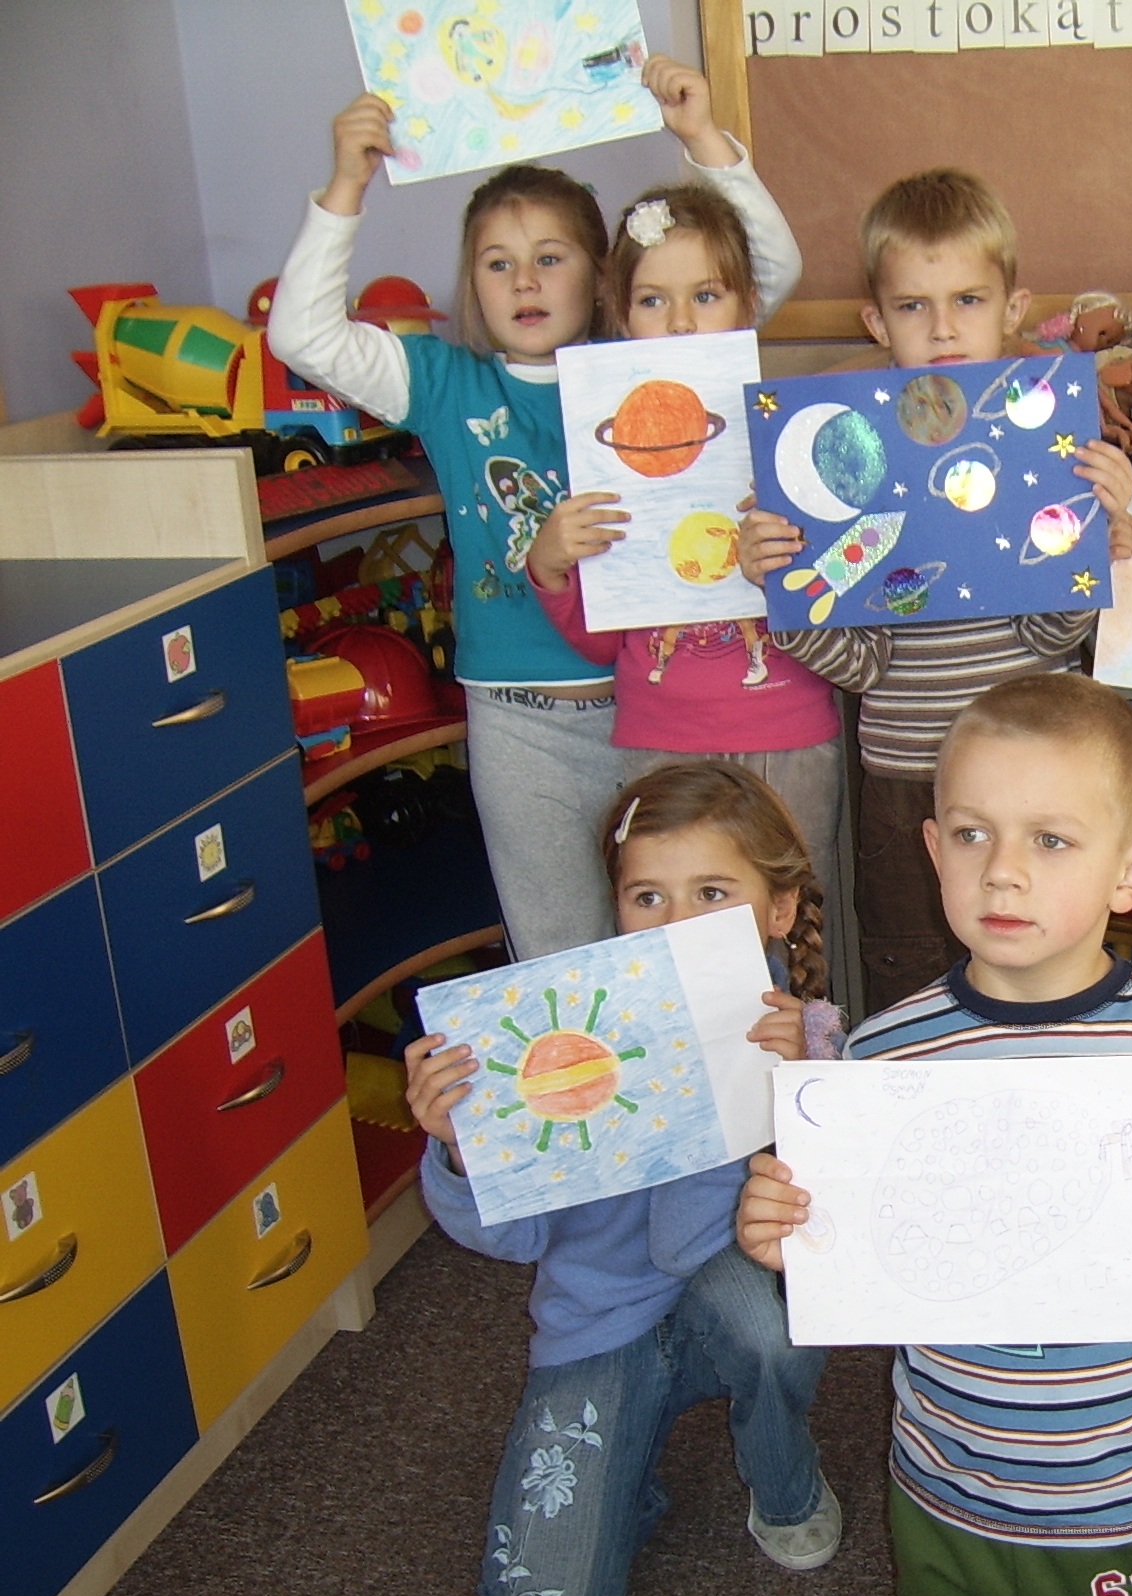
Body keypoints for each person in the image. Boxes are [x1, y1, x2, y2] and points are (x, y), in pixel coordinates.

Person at [735, 672, 1132, 1596]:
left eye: (1053, 840)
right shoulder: (882, 1056)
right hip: (949, 1493)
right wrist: (786, 1249)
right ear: (932, 848)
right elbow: (855, 1279)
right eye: (972, 834)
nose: (1003, 873)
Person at [269, 57, 799, 960]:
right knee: (562, 952)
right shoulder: (444, 381)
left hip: (653, 706)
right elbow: (300, 334)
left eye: (550, 259)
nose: (524, 282)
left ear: (601, 278)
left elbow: (765, 273)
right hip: (520, 719)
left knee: (692, 953)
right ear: (472, 282)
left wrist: (701, 137)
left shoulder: (653, 355)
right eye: (498, 263)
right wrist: (347, 186)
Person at [404, 759, 842, 1596]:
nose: (676, 923)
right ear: (616, 909)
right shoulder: (565, 1033)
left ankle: (784, 1477)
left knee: (766, 1324)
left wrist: (806, 1088)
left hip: (734, 1292)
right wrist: (461, 1147)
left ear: (778, 910)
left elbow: (854, 1227)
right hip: (599, 1321)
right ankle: (624, 1458)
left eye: (711, 893)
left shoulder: (809, 1038)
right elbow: (515, 1236)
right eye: (648, 897)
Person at [741, 169, 1132, 1014]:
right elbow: (862, 663)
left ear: (1013, 308)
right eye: (913, 306)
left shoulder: (1048, 446)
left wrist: (1088, 541)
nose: (943, 327)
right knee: (910, 975)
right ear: (877, 323)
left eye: (967, 300)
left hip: (1032, 777)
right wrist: (785, 592)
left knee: (1041, 957)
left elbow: (1052, 639)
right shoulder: (857, 459)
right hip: (905, 777)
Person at [527, 176, 845, 923]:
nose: (679, 322)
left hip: (788, 733)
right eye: (652, 300)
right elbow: (599, 642)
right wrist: (550, 567)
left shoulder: (796, 438)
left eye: (705, 295)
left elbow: (843, 612)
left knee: (795, 933)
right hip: (659, 742)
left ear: (748, 306)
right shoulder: (604, 452)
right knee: (672, 940)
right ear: (619, 313)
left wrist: (786, 566)